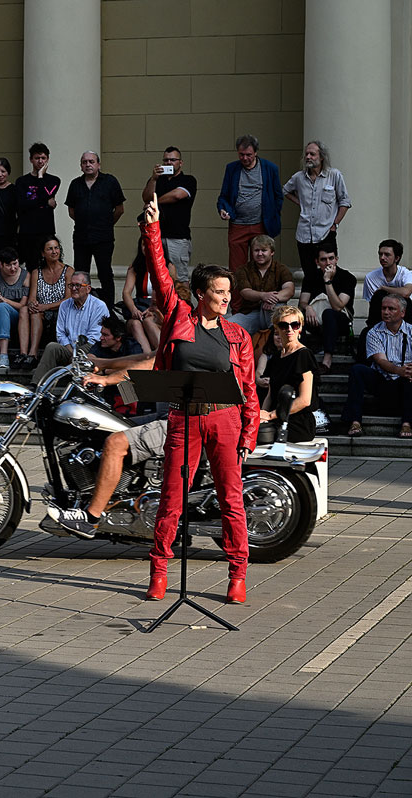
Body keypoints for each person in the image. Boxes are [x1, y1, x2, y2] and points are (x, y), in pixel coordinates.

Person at [139, 193, 259, 605]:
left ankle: (237, 575)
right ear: (201, 293)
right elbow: (160, 273)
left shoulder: (237, 335)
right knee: (172, 497)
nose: (226, 298)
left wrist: (248, 435)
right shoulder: (179, 316)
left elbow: (248, 390)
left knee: (231, 499)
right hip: (184, 417)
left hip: (225, 420)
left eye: (228, 292)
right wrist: (152, 228)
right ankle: (159, 570)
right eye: (219, 291)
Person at [49, 350, 161, 538]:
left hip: (180, 420)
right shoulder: (176, 334)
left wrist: (107, 379)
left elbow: (150, 363)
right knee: (112, 428)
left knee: (115, 442)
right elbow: (145, 357)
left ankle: (90, 519)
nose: (102, 337)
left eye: (106, 335)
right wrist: (103, 363)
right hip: (169, 413)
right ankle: (113, 496)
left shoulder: (186, 334)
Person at [342, 295, 412, 439]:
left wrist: (407, 371)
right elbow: (380, 361)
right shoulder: (373, 332)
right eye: (383, 308)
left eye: (391, 309)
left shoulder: (411, 331)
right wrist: (399, 370)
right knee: (357, 370)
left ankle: (407, 423)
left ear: (402, 313)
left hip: (405, 383)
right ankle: (355, 421)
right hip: (382, 380)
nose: (386, 312)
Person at [284, 140, 351, 287]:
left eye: (312, 154)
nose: (308, 157)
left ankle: (329, 298)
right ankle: (311, 299)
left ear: (321, 157)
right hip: (304, 234)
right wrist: (300, 202)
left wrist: (335, 224)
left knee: (329, 272)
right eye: (306, 154)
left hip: (326, 232)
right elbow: (285, 191)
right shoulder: (298, 177)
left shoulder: (334, 175)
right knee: (309, 274)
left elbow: (345, 202)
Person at [64, 151, 125, 305]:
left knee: (105, 273)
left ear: (98, 164)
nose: (88, 165)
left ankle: (108, 309)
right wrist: (85, 221)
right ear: (81, 165)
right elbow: (71, 210)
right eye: (84, 162)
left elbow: (119, 209)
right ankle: (81, 306)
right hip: (81, 237)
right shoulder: (75, 184)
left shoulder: (110, 181)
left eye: (91, 161)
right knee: (80, 274)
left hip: (103, 237)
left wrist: (106, 224)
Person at [217, 134, 283, 272]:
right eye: (241, 154)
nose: (245, 158)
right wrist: (223, 209)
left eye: (249, 155)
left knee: (261, 265)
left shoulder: (270, 168)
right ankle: (238, 287)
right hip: (237, 224)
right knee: (237, 268)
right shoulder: (232, 168)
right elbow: (224, 196)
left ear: (256, 152)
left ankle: (259, 287)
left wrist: (273, 213)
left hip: (261, 224)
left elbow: (278, 195)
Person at [30, 271, 110, 385]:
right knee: (52, 347)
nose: (73, 288)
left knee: (89, 351)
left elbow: (94, 337)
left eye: (78, 285)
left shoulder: (99, 306)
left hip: (89, 349)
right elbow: (60, 333)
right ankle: (37, 385)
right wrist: (72, 353)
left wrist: (76, 355)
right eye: (71, 285)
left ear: (88, 288)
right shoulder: (64, 305)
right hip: (69, 348)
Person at [257, 306, 318, 443]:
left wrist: (271, 415)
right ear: (276, 328)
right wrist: (262, 416)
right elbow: (270, 395)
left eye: (295, 325)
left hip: (297, 423)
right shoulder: (276, 358)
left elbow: (305, 400)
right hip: (276, 420)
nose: (289, 329)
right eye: (284, 325)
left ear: (300, 328)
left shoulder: (304, 355)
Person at [141, 146, 197, 283]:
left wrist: (154, 203)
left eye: (173, 160)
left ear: (180, 163)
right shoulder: (157, 180)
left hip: (178, 237)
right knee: (156, 277)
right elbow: (146, 197)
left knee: (179, 279)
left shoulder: (188, 180)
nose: (169, 163)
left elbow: (177, 195)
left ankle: (183, 299)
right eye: (166, 160)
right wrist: (153, 179)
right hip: (156, 234)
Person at [299, 245, 356, 373]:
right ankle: (301, 357)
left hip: (340, 322)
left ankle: (327, 360)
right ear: (317, 262)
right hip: (315, 320)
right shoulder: (310, 277)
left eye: (331, 258)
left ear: (336, 259)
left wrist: (327, 281)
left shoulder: (347, 278)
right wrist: (308, 307)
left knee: (329, 313)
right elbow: (302, 302)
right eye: (323, 259)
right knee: (297, 317)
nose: (328, 263)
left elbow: (338, 306)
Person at [227, 234, 296, 334]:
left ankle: (275, 340)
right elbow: (245, 292)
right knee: (228, 326)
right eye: (256, 250)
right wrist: (263, 296)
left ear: (272, 252)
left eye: (264, 250)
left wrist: (272, 299)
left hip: (272, 309)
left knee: (279, 311)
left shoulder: (281, 269)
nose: (260, 254)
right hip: (250, 312)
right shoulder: (243, 270)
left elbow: (289, 289)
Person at [25, 236, 74, 368]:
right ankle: (32, 354)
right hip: (41, 312)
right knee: (34, 313)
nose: (54, 252)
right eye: (50, 249)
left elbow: (68, 298)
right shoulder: (36, 272)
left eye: (56, 248)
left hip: (62, 311)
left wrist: (45, 307)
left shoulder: (68, 271)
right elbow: (32, 297)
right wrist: (33, 304)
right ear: (43, 253)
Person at [13, 142, 61, 270]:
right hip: (27, 231)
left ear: (47, 159)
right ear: (31, 159)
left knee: (48, 265)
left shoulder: (54, 180)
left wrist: (40, 177)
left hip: (46, 229)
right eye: (37, 158)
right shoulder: (22, 181)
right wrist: (45, 202)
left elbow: (47, 194)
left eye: (43, 158)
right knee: (31, 265)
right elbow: (22, 204)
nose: (40, 161)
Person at [121, 234, 169, 353]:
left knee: (148, 321)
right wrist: (134, 310)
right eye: (143, 245)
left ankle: (163, 355)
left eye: (150, 244)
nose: (146, 248)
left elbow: (171, 293)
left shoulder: (168, 267)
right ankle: (147, 358)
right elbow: (126, 293)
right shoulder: (134, 268)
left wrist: (154, 309)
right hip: (139, 308)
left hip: (159, 310)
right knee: (135, 324)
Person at [363, 239, 412, 325]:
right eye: (380, 254)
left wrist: (384, 288)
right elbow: (373, 306)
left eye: (387, 255)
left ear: (396, 258)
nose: (382, 258)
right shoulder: (371, 278)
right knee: (378, 296)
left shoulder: (406, 273)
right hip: (380, 320)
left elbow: (406, 293)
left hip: (405, 317)